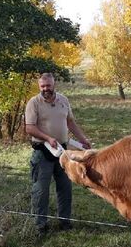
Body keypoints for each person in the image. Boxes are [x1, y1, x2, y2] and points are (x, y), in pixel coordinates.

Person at [24, 72, 91, 234]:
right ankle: (41, 225)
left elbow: (70, 122)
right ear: (39, 86)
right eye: (42, 86)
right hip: (42, 152)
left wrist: (83, 139)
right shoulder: (34, 103)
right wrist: (47, 137)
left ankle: (65, 222)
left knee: (65, 187)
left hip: (63, 151)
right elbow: (29, 127)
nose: (46, 89)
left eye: (48, 86)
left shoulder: (63, 100)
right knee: (41, 190)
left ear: (54, 85)